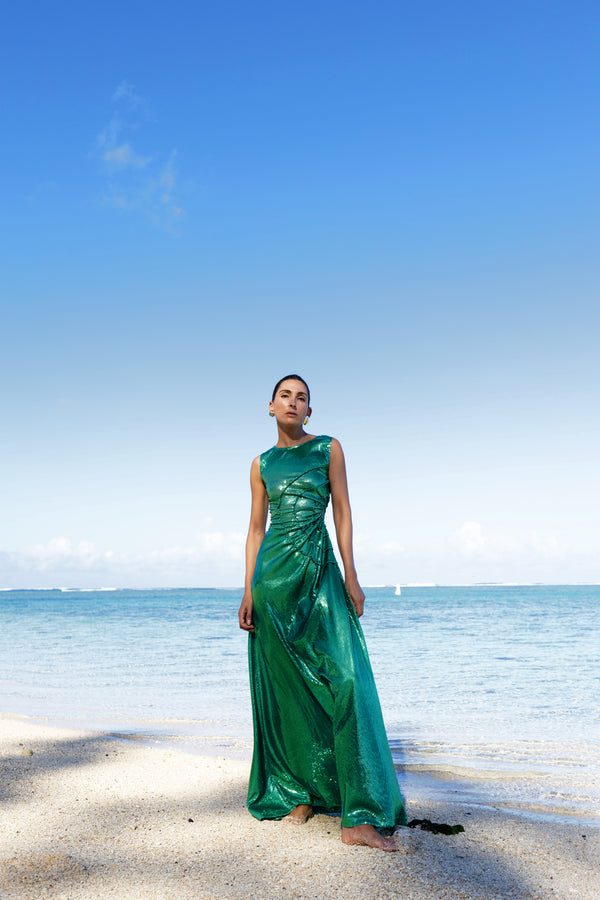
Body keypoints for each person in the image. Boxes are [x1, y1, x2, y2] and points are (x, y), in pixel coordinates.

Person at [238, 374, 406, 851]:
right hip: (272, 583)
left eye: (302, 397)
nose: (294, 402)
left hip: (321, 575)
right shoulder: (261, 464)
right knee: (289, 690)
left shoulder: (329, 449)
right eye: (285, 396)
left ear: (309, 410)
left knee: (347, 679)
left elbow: (344, 514)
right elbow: (255, 529)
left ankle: (359, 816)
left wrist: (352, 574)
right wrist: (248, 589)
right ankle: (299, 792)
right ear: (270, 407)